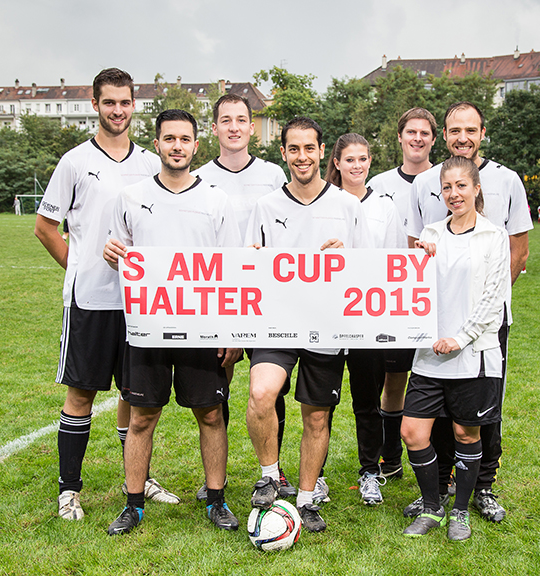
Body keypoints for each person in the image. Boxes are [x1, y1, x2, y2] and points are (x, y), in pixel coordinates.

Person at [33, 68, 171, 523]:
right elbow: (45, 227)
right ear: (95, 105)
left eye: (125, 103)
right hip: (91, 300)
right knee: (82, 395)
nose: (117, 111)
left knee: (136, 396)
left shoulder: (151, 164)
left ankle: (140, 480)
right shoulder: (74, 162)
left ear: (135, 106)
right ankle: (68, 490)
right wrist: (79, 265)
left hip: (139, 303)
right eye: (109, 102)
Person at [103, 109, 242, 535]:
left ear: (196, 145)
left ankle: (216, 500)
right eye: (169, 139)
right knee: (142, 416)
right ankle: (133, 503)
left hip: (202, 328)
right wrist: (113, 254)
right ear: (157, 144)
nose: (177, 146)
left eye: (185, 139)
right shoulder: (130, 197)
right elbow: (122, 256)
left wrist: (232, 332)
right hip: (148, 327)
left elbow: (233, 270)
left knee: (211, 415)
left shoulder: (217, 201)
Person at [406, 101, 531, 524]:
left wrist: (470, 325)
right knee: (429, 424)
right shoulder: (428, 209)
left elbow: (514, 260)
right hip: (432, 338)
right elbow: (410, 270)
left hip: (480, 335)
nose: (463, 135)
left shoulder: (505, 187)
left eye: (470, 129)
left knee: (475, 422)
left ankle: (479, 490)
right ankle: (436, 493)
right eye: (454, 129)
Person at [245, 116, 369, 533]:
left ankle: (306, 497)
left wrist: (346, 255)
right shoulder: (265, 206)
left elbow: (370, 270)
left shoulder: (348, 207)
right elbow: (247, 265)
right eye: (293, 149)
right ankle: (269, 474)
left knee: (316, 418)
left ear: (322, 154)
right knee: (262, 393)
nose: (302, 156)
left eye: (309, 148)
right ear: (283, 153)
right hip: (276, 321)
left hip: (326, 325)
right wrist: (254, 258)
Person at [401, 156, 510, 540]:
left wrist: (461, 338)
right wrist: (418, 258)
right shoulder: (430, 234)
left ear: (477, 189)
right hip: (430, 354)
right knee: (413, 431)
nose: (454, 194)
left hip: (473, 354)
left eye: (462, 186)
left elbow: (494, 296)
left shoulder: (493, 236)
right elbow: (408, 289)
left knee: (467, 434)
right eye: (447, 187)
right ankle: (432, 506)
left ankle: (459, 511)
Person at [191, 93, 293, 502]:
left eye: (241, 120)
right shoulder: (199, 178)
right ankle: (216, 475)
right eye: (225, 120)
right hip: (220, 297)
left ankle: (273, 472)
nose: (234, 126)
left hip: (268, 297)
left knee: (270, 389)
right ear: (213, 128)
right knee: (219, 390)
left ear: (253, 127)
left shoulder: (272, 175)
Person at [326, 132, 405, 506]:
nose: (357, 166)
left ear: (370, 162)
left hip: (367, 319)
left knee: (367, 402)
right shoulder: (324, 202)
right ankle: (318, 474)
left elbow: (393, 262)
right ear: (337, 163)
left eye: (363, 159)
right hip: (327, 316)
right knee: (321, 403)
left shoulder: (385, 207)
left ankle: (370, 472)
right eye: (349, 159)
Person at [367, 107, 438, 482]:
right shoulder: (378, 183)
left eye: (424, 133)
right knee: (393, 379)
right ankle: (389, 456)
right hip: (390, 298)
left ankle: (440, 459)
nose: (417, 138)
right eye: (411, 131)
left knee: (435, 377)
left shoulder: (447, 179)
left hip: (434, 299)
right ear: (399, 137)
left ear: (433, 139)